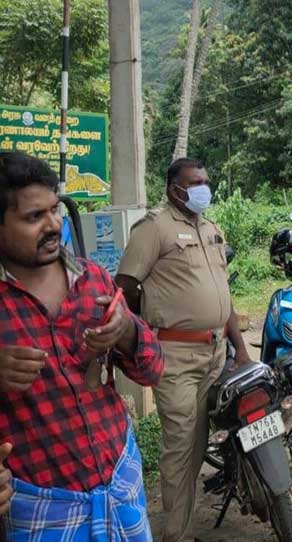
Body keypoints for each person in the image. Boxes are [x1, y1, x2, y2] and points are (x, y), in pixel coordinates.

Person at [0, 152, 164, 541]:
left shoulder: (92, 280)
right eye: (33, 217)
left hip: (120, 484)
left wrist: (125, 331)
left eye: (55, 210)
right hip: (39, 505)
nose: (53, 225)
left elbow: (153, 369)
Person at [116, 157, 252, 542]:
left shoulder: (210, 228)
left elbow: (223, 294)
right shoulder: (154, 229)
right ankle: (178, 534)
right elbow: (125, 283)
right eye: (195, 183)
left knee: (200, 442)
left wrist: (240, 349)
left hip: (216, 351)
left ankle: (188, 516)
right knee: (180, 447)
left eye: (206, 181)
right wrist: (148, 325)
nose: (202, 189)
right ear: (174, 188)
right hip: (175, 357)